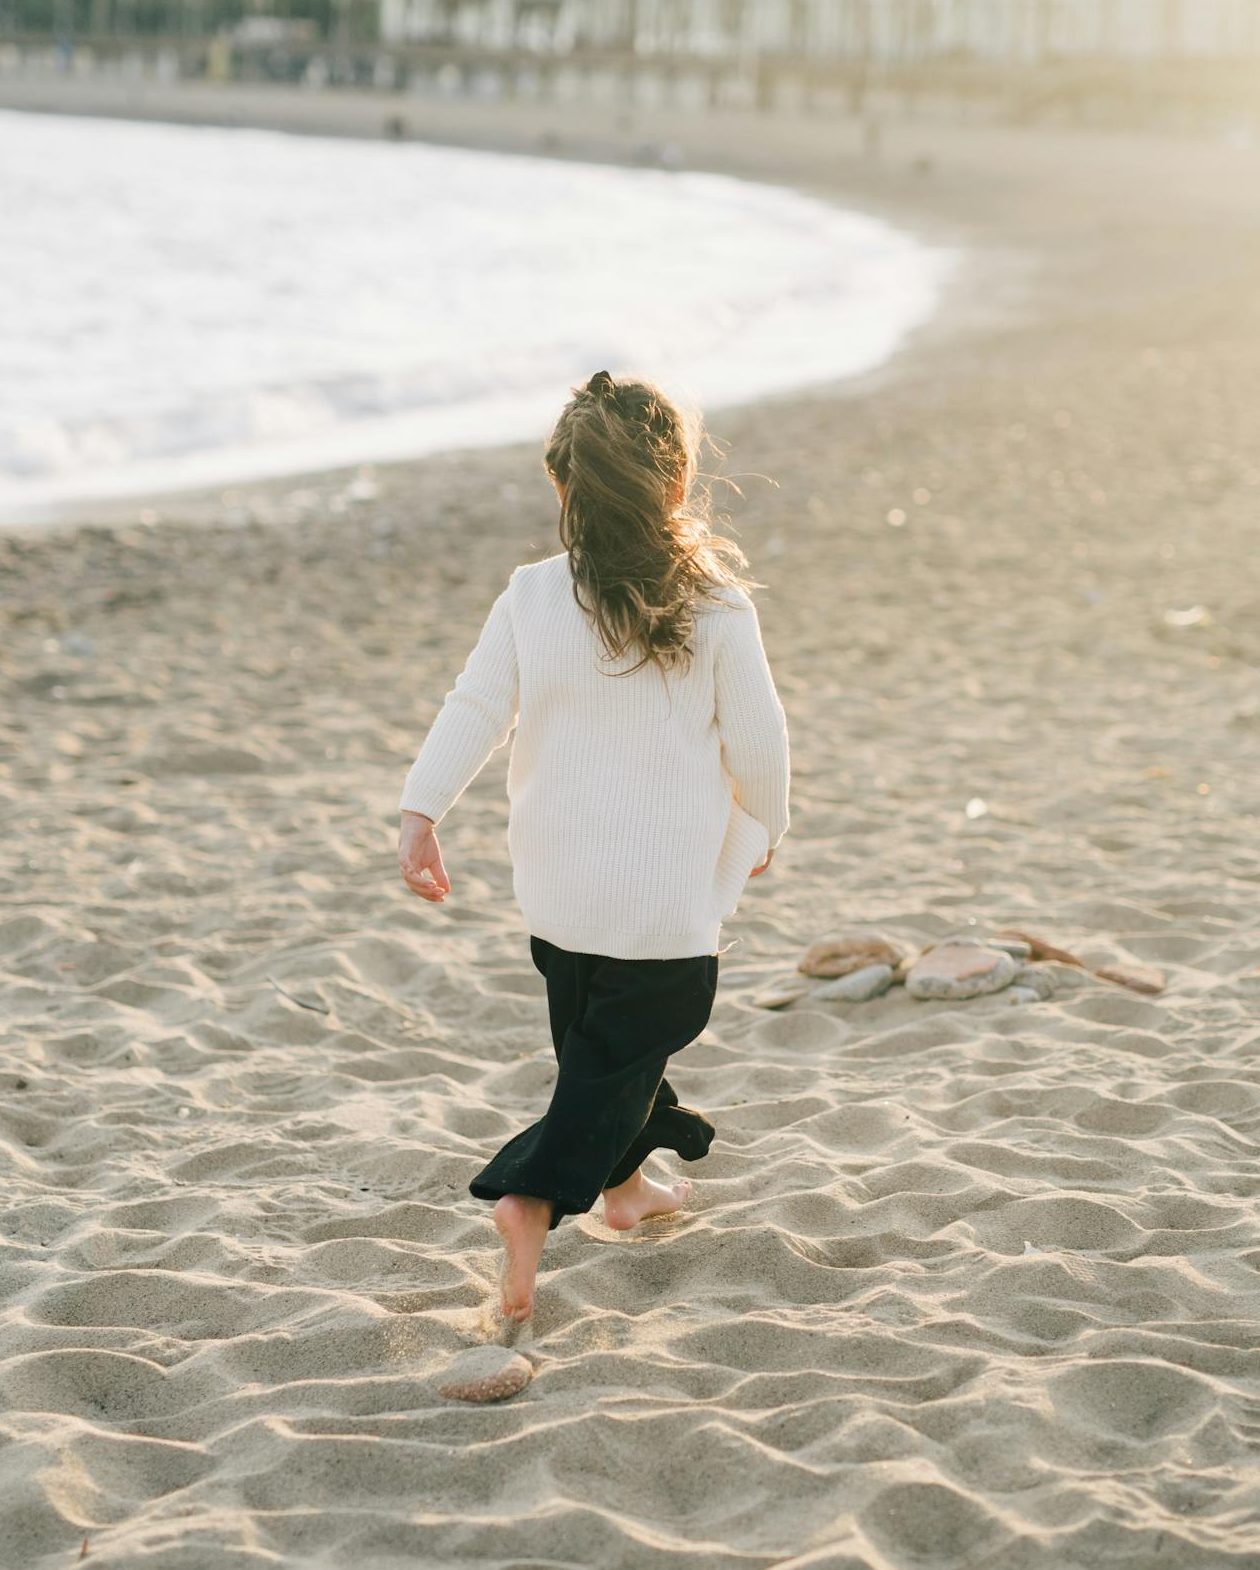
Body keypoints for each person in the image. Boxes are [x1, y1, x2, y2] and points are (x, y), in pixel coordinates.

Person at [397, 370, 791, 1322]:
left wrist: (421, 810)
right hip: (660, 900)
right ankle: (532, 1199)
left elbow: (477, 706)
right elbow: (761, 745)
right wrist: (765, 826)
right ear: (673, 487)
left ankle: (628, 1192)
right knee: (636, 1036)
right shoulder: (716, 607)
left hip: (558, 892)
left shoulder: (534, 597)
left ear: (564, 487)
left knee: (604, 1052)